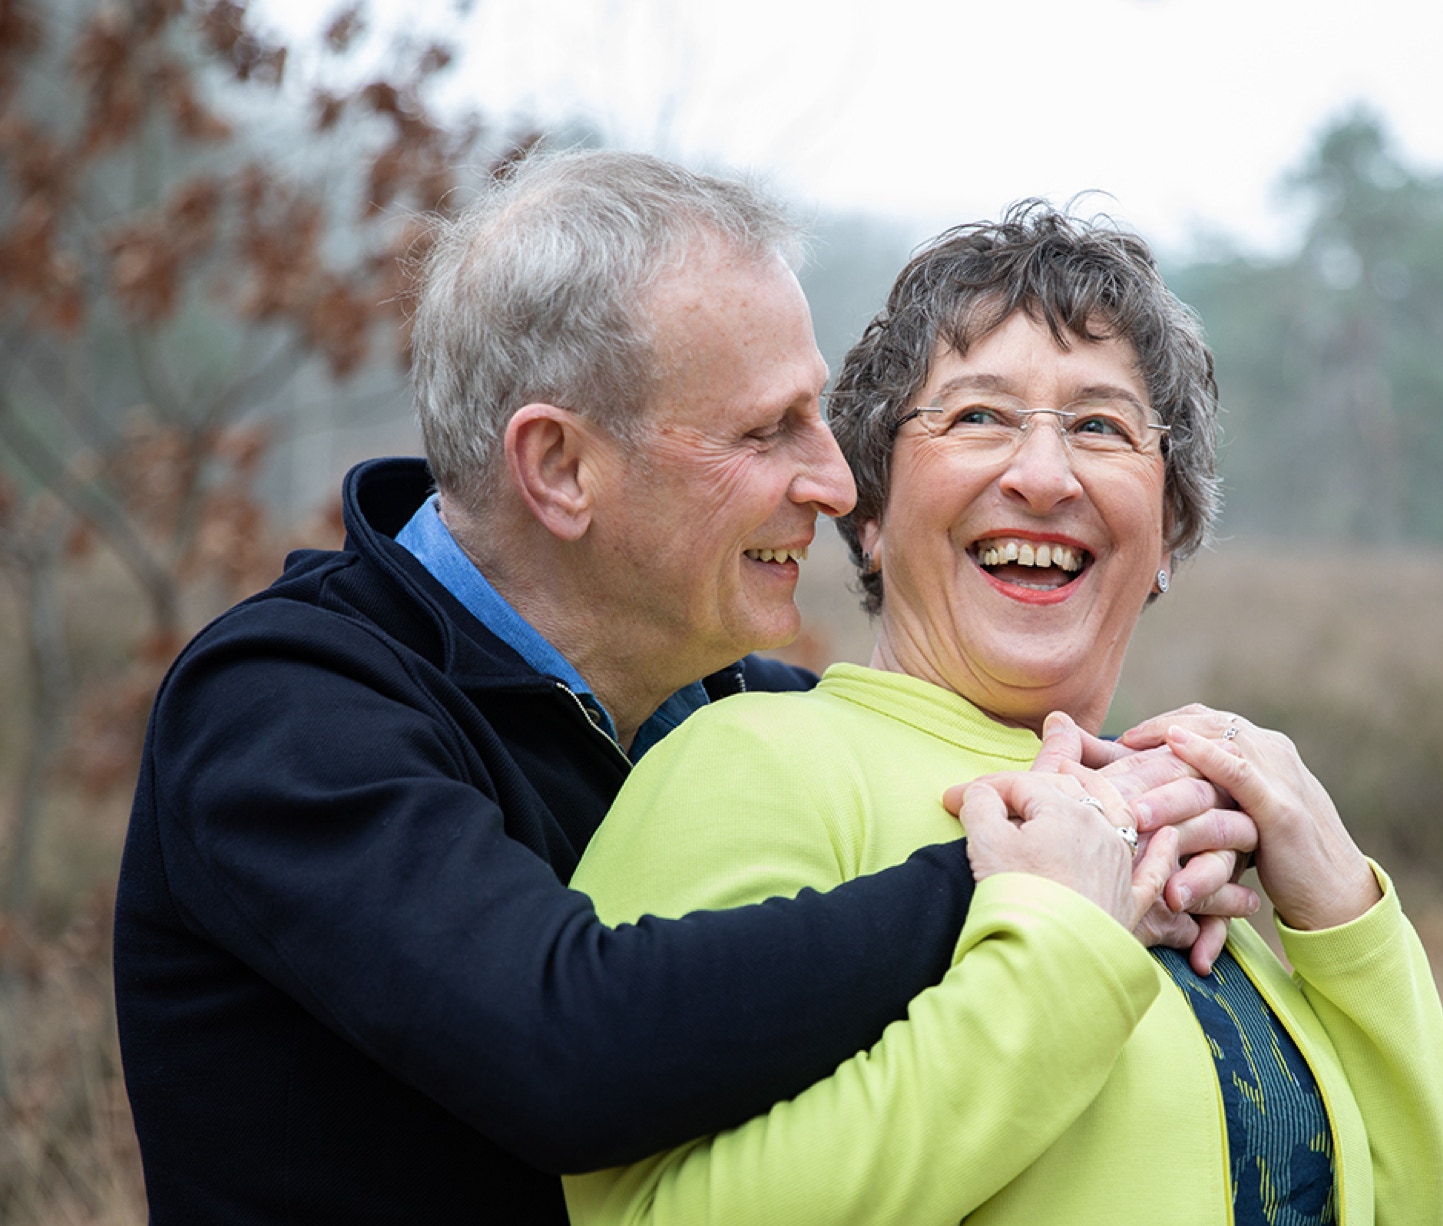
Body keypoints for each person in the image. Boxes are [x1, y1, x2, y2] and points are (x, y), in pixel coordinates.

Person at [112, 152, 1248, 1224]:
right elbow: (562, 1044)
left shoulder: (733, 706)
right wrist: (1005, 883)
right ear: (561, 467)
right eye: (769, 430)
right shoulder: (286, 707)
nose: (835, 476)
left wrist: (1155, 814)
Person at [564, 203, 1443, 1224]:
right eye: (977, 416)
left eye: (1100, 425)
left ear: (1170, 526)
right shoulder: (750, 765)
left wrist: (1347, 918)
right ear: (867, 512)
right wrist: (1059, 961)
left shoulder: (1199, 845)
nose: (1043, 476)